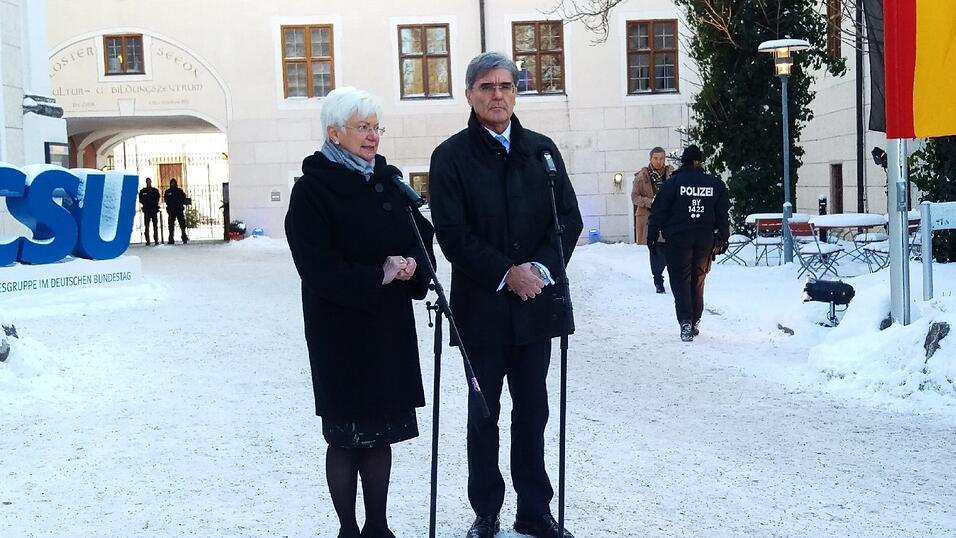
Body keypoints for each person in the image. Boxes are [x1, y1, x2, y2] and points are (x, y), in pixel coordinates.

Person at [428, 52, 583, 538]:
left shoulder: (542, 151)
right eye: (487, 87)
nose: (498, 95)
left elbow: (567, 222)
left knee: (534, 411)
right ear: (470, 95)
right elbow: (452, 234)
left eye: (507, 87)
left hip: (536, 307)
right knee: (484, 414)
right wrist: (505, 272)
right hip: (482, 311)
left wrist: (536, 269)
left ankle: (534, 509)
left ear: (517, 93)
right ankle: (487, 509)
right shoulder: (450, 157)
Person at [285, 86, 434, 538]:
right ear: (334, 133)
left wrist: (412, 262)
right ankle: (348, 528)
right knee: (348, 436)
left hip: (387, 329)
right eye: (362, 128)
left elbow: (420, 233)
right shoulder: (312, 191)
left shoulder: (387, 181)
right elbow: (316, 267)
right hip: (341, 334)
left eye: (375, 128)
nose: (372, 137)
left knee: (380, 432)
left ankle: (379, 526)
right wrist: (378, 275)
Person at [647, 145, 730, 342]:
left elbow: (659, 212)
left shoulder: (672, 183)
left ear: (685, 161)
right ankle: (694, 320)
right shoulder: (714, 184)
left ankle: (685, 321)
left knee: (680, 279)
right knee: (698, 278)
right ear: (698, 161)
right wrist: (723, 237)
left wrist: (652, 237)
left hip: (678, 238)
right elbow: (722, 215)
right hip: (704, 238)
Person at [631, 147, 674, 293]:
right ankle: (658, 280)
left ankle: (673, 279)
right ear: (650, 159)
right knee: (655, 249)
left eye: (661, 158)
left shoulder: (672, 174)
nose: (659, 161)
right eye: (655, 158)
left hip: (669, 218)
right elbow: (634, 197)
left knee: (671, 249)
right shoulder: (642, 176)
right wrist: (651, 201)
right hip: (650, 217)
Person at [163, 178, 189, 245]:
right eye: (172, 183)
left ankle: (184, 237)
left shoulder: (179, 191)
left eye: (174, 183)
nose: (173, 184)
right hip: (171, 211)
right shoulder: (167, 192)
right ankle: (171, 239)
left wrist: (180, 203)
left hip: (179, 210)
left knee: (182, 225)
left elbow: (183, 198)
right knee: (171, 225)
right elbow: (166, 200)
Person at [138, 177, 160, 245]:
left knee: (155, 226)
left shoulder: (155, 191)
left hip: (153, 210)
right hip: (147, 210)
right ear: (146, 182)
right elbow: (140, 199)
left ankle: (156, 240)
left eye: (149, 181)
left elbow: (157, 198)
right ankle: (147, 240)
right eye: (147, 181)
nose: (149, 183)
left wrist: (154, 204)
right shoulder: (143, 191)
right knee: (147, 226)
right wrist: (145, 204)